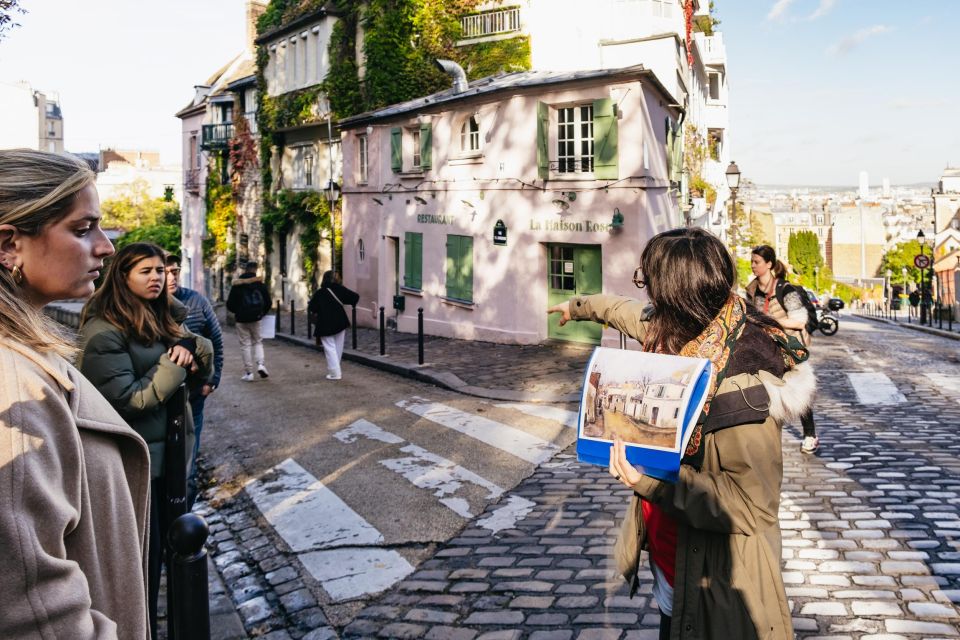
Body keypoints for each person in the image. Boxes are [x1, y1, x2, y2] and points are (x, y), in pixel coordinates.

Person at [547, 228, 814, 640]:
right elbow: (623, 311)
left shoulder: (743, 387)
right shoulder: (682, 330)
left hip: (712, 574)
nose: (646, 294)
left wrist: (650, 482)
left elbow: (751, 506)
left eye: (650, 282)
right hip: (672, 557)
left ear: (675, 295)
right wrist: (578, 306)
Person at [0, 149, 150, 639]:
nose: (105, 247)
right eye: (83, 228)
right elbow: (37, 614)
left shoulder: (24, 356)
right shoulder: (13, 381)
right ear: (9, 245)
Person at [78, 242, 213, 639]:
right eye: (145, 271)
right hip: (136, 470)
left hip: (169, 463)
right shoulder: (103, 332)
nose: (157, 277)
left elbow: (200, 352)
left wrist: (191, 349)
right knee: (143, 569)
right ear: (122, 277)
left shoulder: (163, 317)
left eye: (160, 270)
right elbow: (129, 400)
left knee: (179, 555)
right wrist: (176, 362)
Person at [745, 244, 820, 454]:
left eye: (757, 262)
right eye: (752, 261)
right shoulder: (751, 290)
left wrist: (769, 320)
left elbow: (799, 320)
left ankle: (810, 434)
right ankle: (766, 436)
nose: (753, 266)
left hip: (791, 347)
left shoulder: (785, 289)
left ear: (769, 264)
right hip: (765, 347)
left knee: (799, 391)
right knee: (767, 391)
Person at [165, 253, 223, 506]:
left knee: (189, 457)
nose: (170, 277)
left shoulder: (195, 301)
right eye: (165, 272)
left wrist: (212, 379)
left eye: (174, 271)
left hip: (193, 394)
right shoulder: (146, 305)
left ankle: (185, 521)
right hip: (160, 396)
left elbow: (216, 341)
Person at [308, 270, 359, 380]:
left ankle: (335, 373)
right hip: (340, 321)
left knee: (329, 347)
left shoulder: (320, 293)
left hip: (325, 323)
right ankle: (336, 369)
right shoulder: (339, 289)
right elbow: (355, 297)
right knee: (338, 347)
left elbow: (312, 307)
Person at [226, 260, 271, 381]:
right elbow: (268, 302)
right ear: (255, 270)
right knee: (258, 341)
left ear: (245, 270)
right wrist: (261, 314)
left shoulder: (237, 285)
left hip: (241, 319)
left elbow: (230, 304)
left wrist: (238, 312)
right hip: (256, 318)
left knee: (245, 345)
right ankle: (261, 364)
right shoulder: (260, 284)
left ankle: (249, 373)